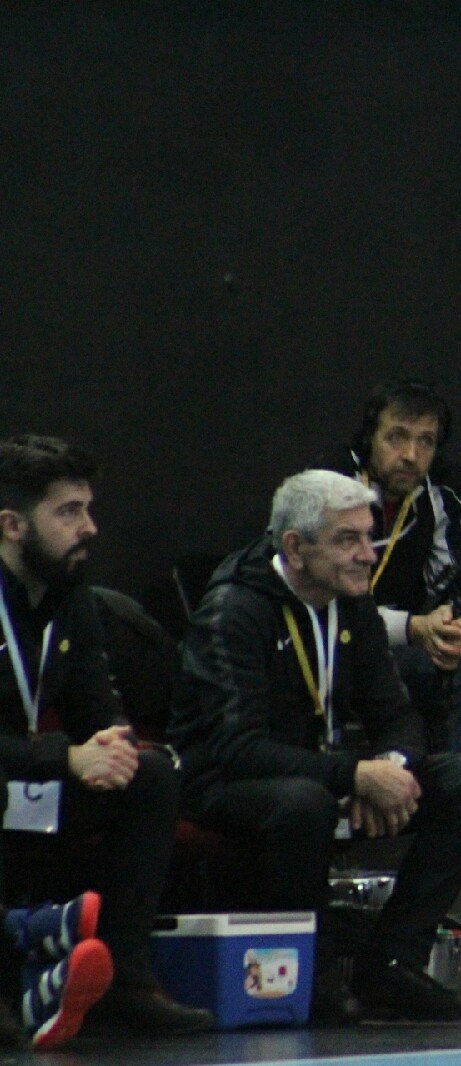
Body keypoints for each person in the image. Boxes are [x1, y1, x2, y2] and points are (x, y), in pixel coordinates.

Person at [166, 469, 461, 1021]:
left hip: (322, 777)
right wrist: (353, 775)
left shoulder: (350, 602)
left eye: (369, 536)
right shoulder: (233, 611)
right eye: (348, 540)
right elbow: (236, 748)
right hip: (227, 786)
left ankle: (392, 963)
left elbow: (397, 716)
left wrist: (388, 767)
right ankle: (312, 971)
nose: (368, 555)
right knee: (304, 801)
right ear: (296, 548)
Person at [0, 435, 214, 1043]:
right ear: (12, 525)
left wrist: (111, 747)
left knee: (149, 776)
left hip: (32, 784)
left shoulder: (71, 596)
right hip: (15, 775)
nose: (89, 528)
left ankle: (126, 980)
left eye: (88, 509)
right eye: (68, 512)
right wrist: (65, 756)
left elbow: (97, 706)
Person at [313, 381, 461, 773]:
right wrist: (414, 627)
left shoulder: (443, 486)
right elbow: (323, 604)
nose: (411, 455)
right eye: (397, 437)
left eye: (425, 441)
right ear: (370, 437)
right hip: (330, 648)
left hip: (396, 652)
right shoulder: (330, 483)